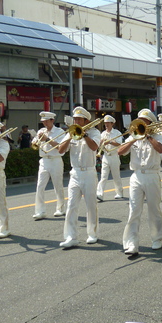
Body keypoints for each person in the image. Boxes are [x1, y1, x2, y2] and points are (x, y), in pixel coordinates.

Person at [117, 108, 162, 255]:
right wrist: (133, 140)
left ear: (150, 123)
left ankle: (157, 238)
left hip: (152, 175)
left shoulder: (158, 135)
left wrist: (149, 137)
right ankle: (131, 243)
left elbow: (161, 149)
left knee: (153, 209)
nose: (141, 125)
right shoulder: (133, 135)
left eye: (144, 122)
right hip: (136, 176)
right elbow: (120, 152)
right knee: (134, 210)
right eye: (140, 122)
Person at [58, 106, 102, 248]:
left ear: (86, 120)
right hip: (75, 173)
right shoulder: (71, 132)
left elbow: (94, 147)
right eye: (75, 119)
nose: (76, 121)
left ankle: (92, 234)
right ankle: (71, 236)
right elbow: (61, 150)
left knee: (91, 205)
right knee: (71, 205)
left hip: (89, 172)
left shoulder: (94, 132)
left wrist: (84, 135)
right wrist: (69, 136)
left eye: (78, 119)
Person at [33, 111, 65, 220]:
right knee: (40, 186)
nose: (44, 124)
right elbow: (34, 143)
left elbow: (61, 147)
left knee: (58, 185)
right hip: (43, 160)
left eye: (46, 121)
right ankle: (40, 211)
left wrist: (47, 139)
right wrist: (37, 140)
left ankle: (60, 208)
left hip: (55, 160)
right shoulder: (41, 131)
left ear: (52, 120)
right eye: (43, 121)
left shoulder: (60, 131)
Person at [97, 115, 124, 201]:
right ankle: (100, 193)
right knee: (103, 176)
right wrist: (101, 143)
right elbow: (99, 145)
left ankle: (119, 193)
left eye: (108, 123)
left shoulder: (117, 133)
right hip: (105, 156)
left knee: (116, 176)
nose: (106, 125)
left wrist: (111, 142)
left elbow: (120, 144)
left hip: (114, 156)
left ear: (112, 124)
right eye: (105, 123)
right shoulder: (103, 133)